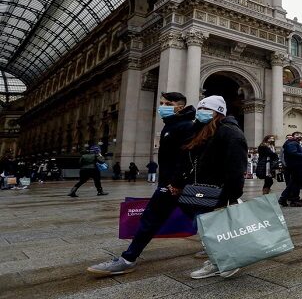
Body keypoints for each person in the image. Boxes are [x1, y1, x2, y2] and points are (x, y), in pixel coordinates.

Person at [87, 91, 196, 276]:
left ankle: (128, 259)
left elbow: (188, 157)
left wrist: (175, 182)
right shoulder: (170, 126)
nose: (162, 106)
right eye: (161, 103)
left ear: (180, 107)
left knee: (151, 218)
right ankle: (222, 246)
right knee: (198, 216)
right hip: (171, 183)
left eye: (167, 103)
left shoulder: (185, 126)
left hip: (173, 185)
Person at [181, 95, 249, 279]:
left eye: (206, 109)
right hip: (203, 189)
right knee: (208, 228)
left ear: (218, 112)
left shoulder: (230, 132)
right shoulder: (208, 130)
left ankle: (226, 262)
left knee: (216, 229)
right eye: (200, 109)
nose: (200, 113)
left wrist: (232, 195)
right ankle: (219, 260)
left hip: (219, 190)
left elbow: (237, 168)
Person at [279, 131, 302, 207]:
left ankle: (288, 199)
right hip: (296, 166)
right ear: (293, 136)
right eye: (297, 135)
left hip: (297, 165)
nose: (299, 136)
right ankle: (289, 199)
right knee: (295, 182)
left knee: (294, 183)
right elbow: (293, 153)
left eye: (300, 135)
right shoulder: (292, 143)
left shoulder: (295, 143)